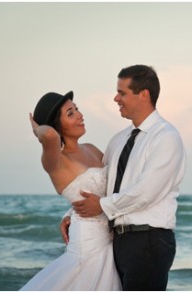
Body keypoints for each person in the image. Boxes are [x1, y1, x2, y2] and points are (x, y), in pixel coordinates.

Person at [69, 65, 187, 290]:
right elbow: (101, 183)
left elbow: (146, 192)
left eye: (122, 92)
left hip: (149, 241)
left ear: (144, 95)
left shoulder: (166, 137)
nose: (115, 98)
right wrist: (76, 212)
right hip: (118, 240)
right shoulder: (119, 139)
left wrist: (101, 206)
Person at [22, 91, 122, 290]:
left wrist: (69, 213)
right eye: (70, 113)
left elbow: (114, 186)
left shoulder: (92, 149)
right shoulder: (56, 162)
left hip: (111, 240)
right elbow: (49, 136)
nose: (79, 115)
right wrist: (37, 129)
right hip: (88, 245)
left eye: (77, 109)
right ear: (56, 125)